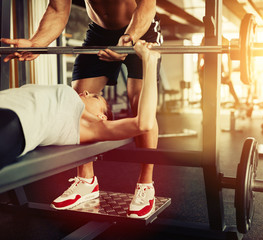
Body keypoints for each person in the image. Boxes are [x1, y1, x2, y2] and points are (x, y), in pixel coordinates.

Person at [1, 0, 161, 218]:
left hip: (140, 30)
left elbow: (147, 6)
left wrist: (128, 40)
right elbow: (58, 9)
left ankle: (146, 184)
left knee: (138, 100)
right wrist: (36, 42)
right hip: (99, 33)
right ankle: (86, 180)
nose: (88, 96)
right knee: (77, 98)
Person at [197, 36, 241, 108]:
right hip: (208, 69)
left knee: (205, 94)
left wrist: (229, 74)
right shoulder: (223, 40)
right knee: (206, 94)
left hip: (213, 69)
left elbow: (200, 55)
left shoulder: (207, 39)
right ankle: (237, 101)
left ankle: (237, 101)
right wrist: (199, 70)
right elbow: (200, 55)